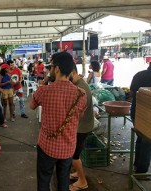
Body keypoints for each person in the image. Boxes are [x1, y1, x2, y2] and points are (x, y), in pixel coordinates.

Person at [29, 51, 87, 191]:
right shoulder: (81, 94)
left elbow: (31, 106)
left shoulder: (44, 91)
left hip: (47, 146)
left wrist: (44, 82)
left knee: (44, 180)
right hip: (68, 147)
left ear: (57, 69)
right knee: (63, 180)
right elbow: (80, 116)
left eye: (52, 67)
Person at [69, 63, 94, 191]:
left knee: (74, 156)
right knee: (76, 153)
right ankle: (78, 174)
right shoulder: (80, 84)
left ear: (73, 72)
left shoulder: (79, 89)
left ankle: (82, 181)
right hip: (85, 125)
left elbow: (78, 112)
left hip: (82, 127)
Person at [130, 62, 151, 174]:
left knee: (141, 138)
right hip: (146, 117)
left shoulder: (139, 75)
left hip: (136, 113)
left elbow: (132, 92)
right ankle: (141, 170)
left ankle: (137, 165)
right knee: (146, 142)